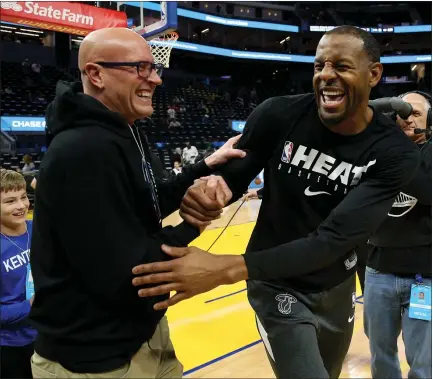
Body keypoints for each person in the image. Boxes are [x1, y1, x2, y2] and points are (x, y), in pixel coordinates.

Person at [131, 26, 421, 378]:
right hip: (274, 282)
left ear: (373, 74)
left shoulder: (395, 153)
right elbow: (234, 178)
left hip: (336, 285)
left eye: (341, 66)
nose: (326, 75)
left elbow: (331, 240)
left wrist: (223, 268)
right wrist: (212, 191)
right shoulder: (278, 114)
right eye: (319, 66)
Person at [28, 27, 244, 379]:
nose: (155, 79)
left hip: (140, 335)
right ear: (96, 74)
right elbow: (130, 274)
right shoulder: (84, 151)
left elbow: (150, 200)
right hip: (96, 359)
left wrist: (205, 165)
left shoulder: (126, 130)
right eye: (141, 69)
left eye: (154, 68)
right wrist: (193, 225)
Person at [364, 91, 432, 379]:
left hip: (424, 276)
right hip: (378, 271)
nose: (406, 118)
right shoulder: (378, 150)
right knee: (381, 357)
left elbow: (427, 190)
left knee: (423, 362)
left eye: (415, 113)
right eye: (402, 112)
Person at [0, 169, 37, 379]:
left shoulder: (38, 231)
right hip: (10, 347)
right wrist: (30, 306)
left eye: (23, 197)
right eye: (10, 201)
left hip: (46, 336)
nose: (21, 206)